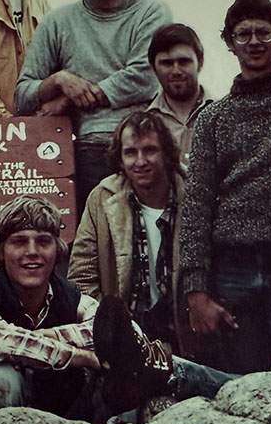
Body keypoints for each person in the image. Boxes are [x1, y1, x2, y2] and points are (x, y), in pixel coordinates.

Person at [0, 195, 234, 424]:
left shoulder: (67, 295)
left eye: (43, 242)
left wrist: (31, 343)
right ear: (1, 250)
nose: (32, 252)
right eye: (19, 242)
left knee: (131, 367)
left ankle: (241, 388)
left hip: (59, 419)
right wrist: (80, 355)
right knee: (0, 376)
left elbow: (125, 335)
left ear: (56, 250)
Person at [179, 0, 271, 373]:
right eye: (244, 34)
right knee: (243, 384)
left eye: (264, 31)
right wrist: (196, 291)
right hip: (233, 271)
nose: (255, 41)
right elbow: (196, 204)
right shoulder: (213, 118)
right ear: (228, 42)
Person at [14, 0, 171, 213]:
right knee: (98, 239)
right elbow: (23, 95)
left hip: (145, 141)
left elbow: (144, 77)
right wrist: (60, 81)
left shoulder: (151, 11)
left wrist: (73, 98)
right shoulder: (57, 22)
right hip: (90, 148)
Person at [69, 111, 188, 351]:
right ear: (120, 159)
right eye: (131, 152)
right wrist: (113, 328)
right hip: (126, 335)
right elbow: (81, 276)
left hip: (186, 333)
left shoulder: (193, 191)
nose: (141, 161)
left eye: (150, 150)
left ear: (166, 153)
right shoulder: (102, 198)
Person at [146, 22, 213, 165]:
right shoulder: (145, 124)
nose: (176, 71)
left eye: (184, 62)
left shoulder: (223, 115)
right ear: (153, 68)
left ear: (200, 63)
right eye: (167, 63)